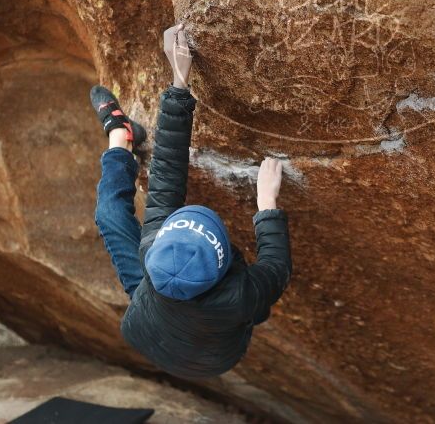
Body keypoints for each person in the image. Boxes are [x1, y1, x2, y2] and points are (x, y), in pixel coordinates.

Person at [91, 23, 291, 379]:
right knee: (255, 308)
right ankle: (120, 135)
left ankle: (120, 134)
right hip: (211, 357)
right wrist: (267, 204)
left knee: (109, 214)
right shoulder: (243, 295)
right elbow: (276, 265)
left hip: (148, 321)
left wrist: (179, 85)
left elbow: (168, 176)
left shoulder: (152, 249)